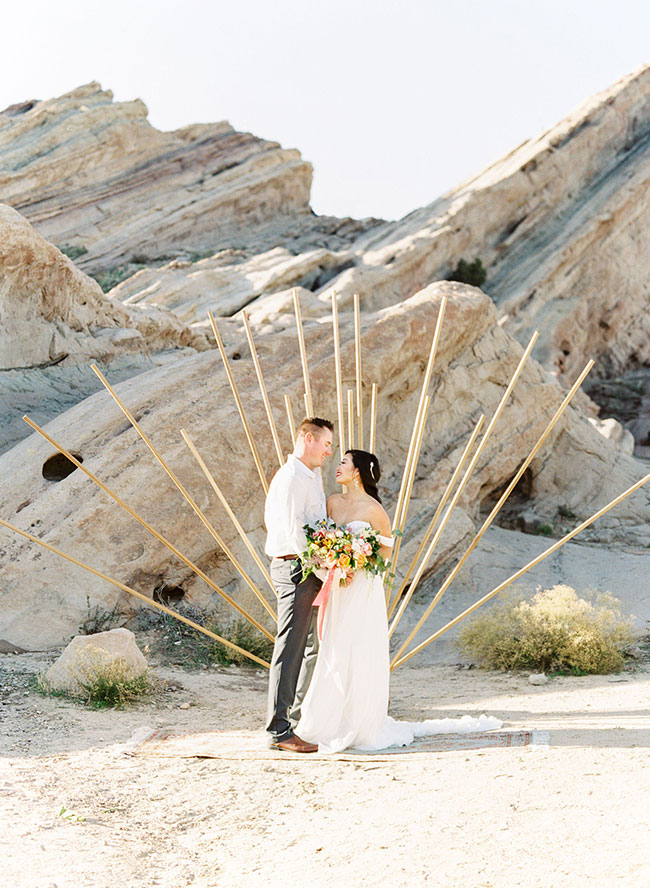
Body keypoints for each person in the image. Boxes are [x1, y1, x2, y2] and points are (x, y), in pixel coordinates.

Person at [296, 448, 500, 753]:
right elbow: (323, 538)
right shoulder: (332, 502)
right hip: (339, 585)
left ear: (358, 471)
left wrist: (357, 559)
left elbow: (387, 551)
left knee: (360, 649)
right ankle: (326, 720)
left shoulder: (375, 509)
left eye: (343, 463)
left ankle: (361, 723)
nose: (337, 466)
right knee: (335, 648)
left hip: (363, 586)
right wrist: (332, 562)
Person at [264, 417, 334, 753]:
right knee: (289, 647)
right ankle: (279, 731)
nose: (329, 451)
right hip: (296, 567)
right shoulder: (292, 477)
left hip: (306, 567)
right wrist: (324, 567)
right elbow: (294, 530)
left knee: (308, 647)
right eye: (326, 443)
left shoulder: (311, 476)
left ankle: (296, 719)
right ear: (308, 438)